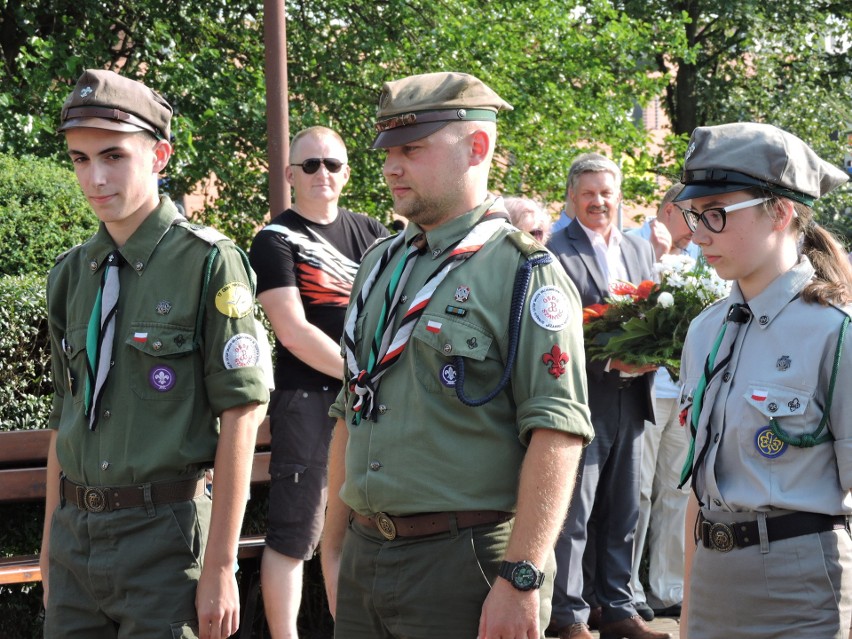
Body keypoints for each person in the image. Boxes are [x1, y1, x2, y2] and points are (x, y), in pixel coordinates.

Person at [320, 71, 594, 639]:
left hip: (466, 562)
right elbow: (354, 403)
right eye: (389, 151)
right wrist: (334, 544)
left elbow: (558, 432)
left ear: (478, 147)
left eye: (412, 149)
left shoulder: (523, 273)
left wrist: (521, 576)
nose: (392, 166)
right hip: (369, 556)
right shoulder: (379, 266)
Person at [41, 69, 270, 639]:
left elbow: (242, 413)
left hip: (165, 539)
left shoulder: (208, 263)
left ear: (159, 155)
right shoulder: (71, 275)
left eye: (113, 156)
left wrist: (221, 564)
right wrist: (49, 547)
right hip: (75, 539)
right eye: (78, 158)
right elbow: (64, 421)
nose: (94, 177)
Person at [676, 122, 852, 638]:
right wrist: (689, 616)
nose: (698, 232)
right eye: (693, 214)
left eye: (716, 214)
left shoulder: (834, 332)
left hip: (800, 589)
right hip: (712, 576)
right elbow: (700, 490)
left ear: (781, 211)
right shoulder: (705, 329)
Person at [249, 126, 388, 638]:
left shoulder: (374, 233)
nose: (321, 173)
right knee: (295, 531)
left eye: (332, 164)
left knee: (352, 530)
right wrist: (362, 378)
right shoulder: (274, 239)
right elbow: (293, 332)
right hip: (308, 400)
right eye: (309, 165)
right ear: (289, 175)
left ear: (347, 173)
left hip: (365, 399)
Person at [547, 153, 671, 639]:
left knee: (623, 509)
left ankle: (618, 610)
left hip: (634, 397)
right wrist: (606, 361)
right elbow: (551, 331)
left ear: (618, 196)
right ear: (572, 199)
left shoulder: (640, 251)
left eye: (606, 192)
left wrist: (663, 350)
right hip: (583, 397)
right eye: (589, 193)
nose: (600, 201)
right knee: (575, 513)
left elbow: (653, 316)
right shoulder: (555, 251)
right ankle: (569, 615)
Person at [626, 183, 699, 619]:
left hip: (683, 392)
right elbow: (625, 312)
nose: (701, 228)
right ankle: (627, 588)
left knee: (677, 487)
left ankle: (667, 587)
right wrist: (655, 259)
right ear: (670, 211)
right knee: (637, 492)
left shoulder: (698, 256)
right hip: (645, 390)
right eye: (694, 217)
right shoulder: (634, 246)